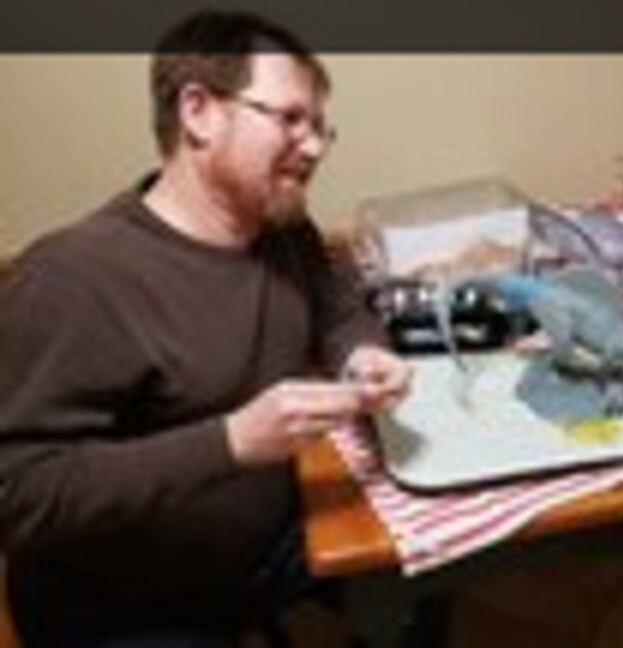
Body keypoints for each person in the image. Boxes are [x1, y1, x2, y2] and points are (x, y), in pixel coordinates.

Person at [0, 9, 411, 646]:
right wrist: (231, 442)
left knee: (423, 579)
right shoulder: (72, 279)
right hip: (125, 606)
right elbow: (21, 493)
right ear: (198, 112)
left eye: (319, 128)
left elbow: (337, 305)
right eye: (290, 119)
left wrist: (359, 354)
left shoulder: (283, 226)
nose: (312, 148)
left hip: (268, 544)